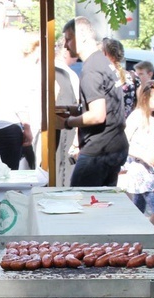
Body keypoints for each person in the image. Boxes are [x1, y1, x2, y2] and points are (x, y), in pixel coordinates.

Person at [60, 16, 128, 187]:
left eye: (68, 39)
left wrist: (67, 122)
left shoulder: (91, 69)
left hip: (99, 150)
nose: (65, 45)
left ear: (82, 36)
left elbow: (98, 115)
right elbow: (106, 104)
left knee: (81, 203)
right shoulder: (102, 62)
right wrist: (73, 109)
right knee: (101, 207)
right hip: (114, 146)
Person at [121, 80, 154, 229]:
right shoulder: (136, 116)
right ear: (146, 98)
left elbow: (151, 141)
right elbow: (123, 143)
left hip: (151, 172)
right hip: (140, 173)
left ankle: (136, 234)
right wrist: (143, 156)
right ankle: (153, 236)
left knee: (138, 209)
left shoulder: (153, 118)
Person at [54, 36, 80, 187]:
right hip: (62, 132)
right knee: (61, 170)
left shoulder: (44, 68)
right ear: (65, 50)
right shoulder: (67, 74)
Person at [102, 37, 139, 117]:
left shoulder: (106, 77)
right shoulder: (131, 76)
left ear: (106, 54)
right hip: (127, 124)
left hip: (110, 125)